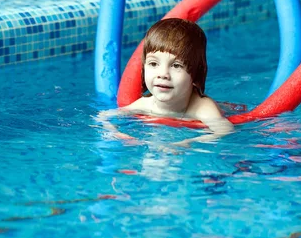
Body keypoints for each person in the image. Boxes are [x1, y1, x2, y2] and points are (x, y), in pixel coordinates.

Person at [97, 18, 234, 146]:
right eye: (153, 63)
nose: (163, 74)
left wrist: (188, 142)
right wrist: (117, 133)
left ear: (195, 74)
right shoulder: (146, 104)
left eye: (176, 66)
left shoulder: (201, 107)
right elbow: (103, 117)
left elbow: (225, 130)